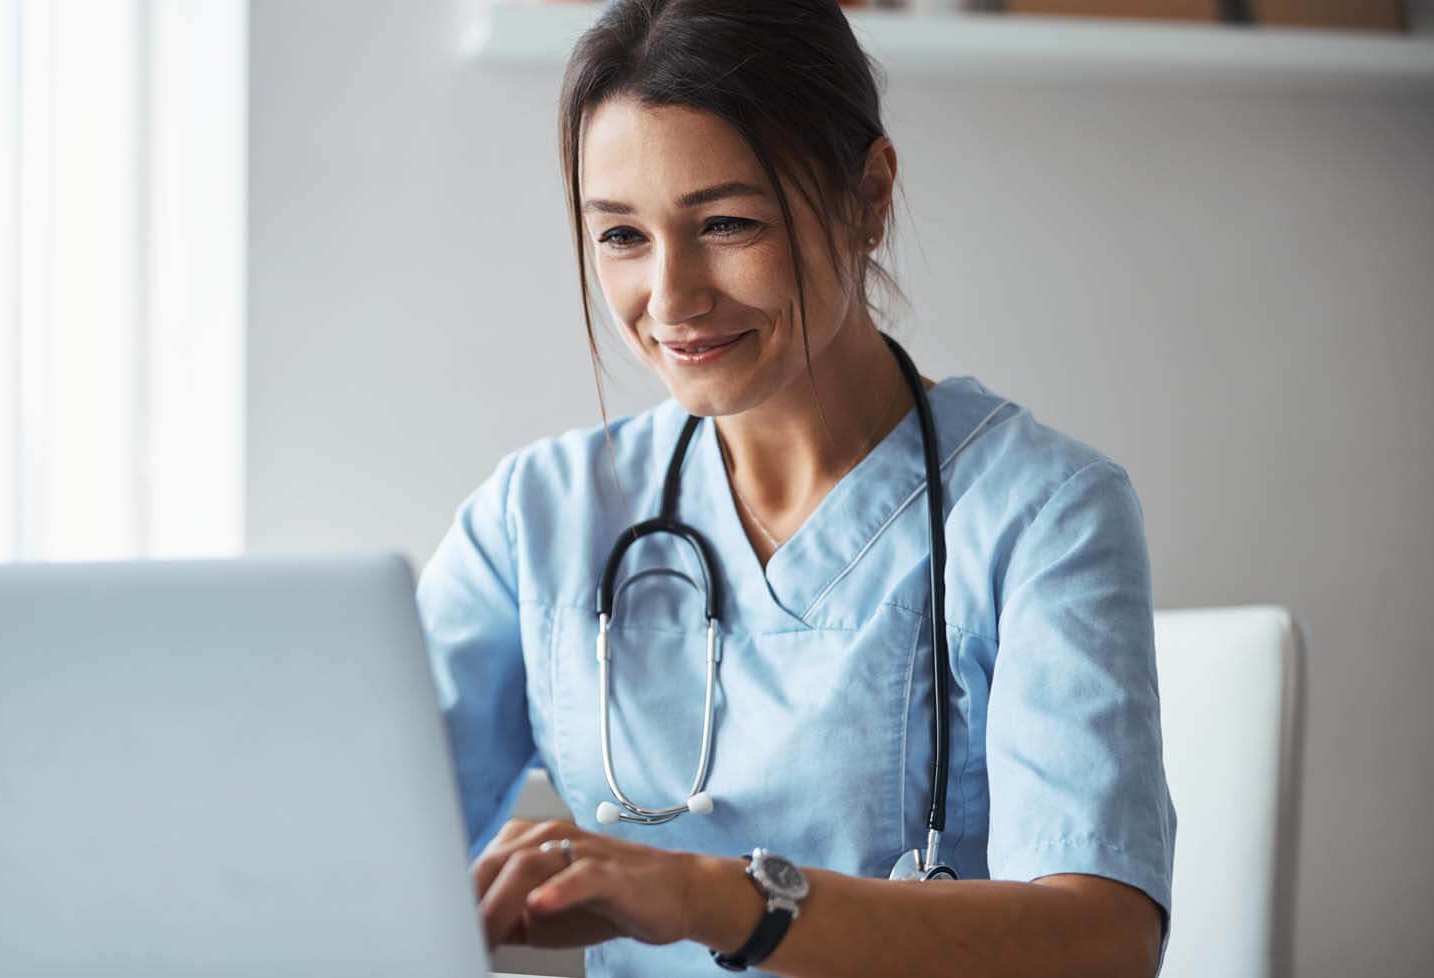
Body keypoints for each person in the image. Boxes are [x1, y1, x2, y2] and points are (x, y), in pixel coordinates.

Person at [415, 1, 1176, 975]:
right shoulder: (538, 518)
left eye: (727, 223)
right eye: (620, 237)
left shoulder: (1042, 515)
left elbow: (1101, 941)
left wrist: (713, 897)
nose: (672, 297)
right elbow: (354, 844)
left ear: (867, 195)